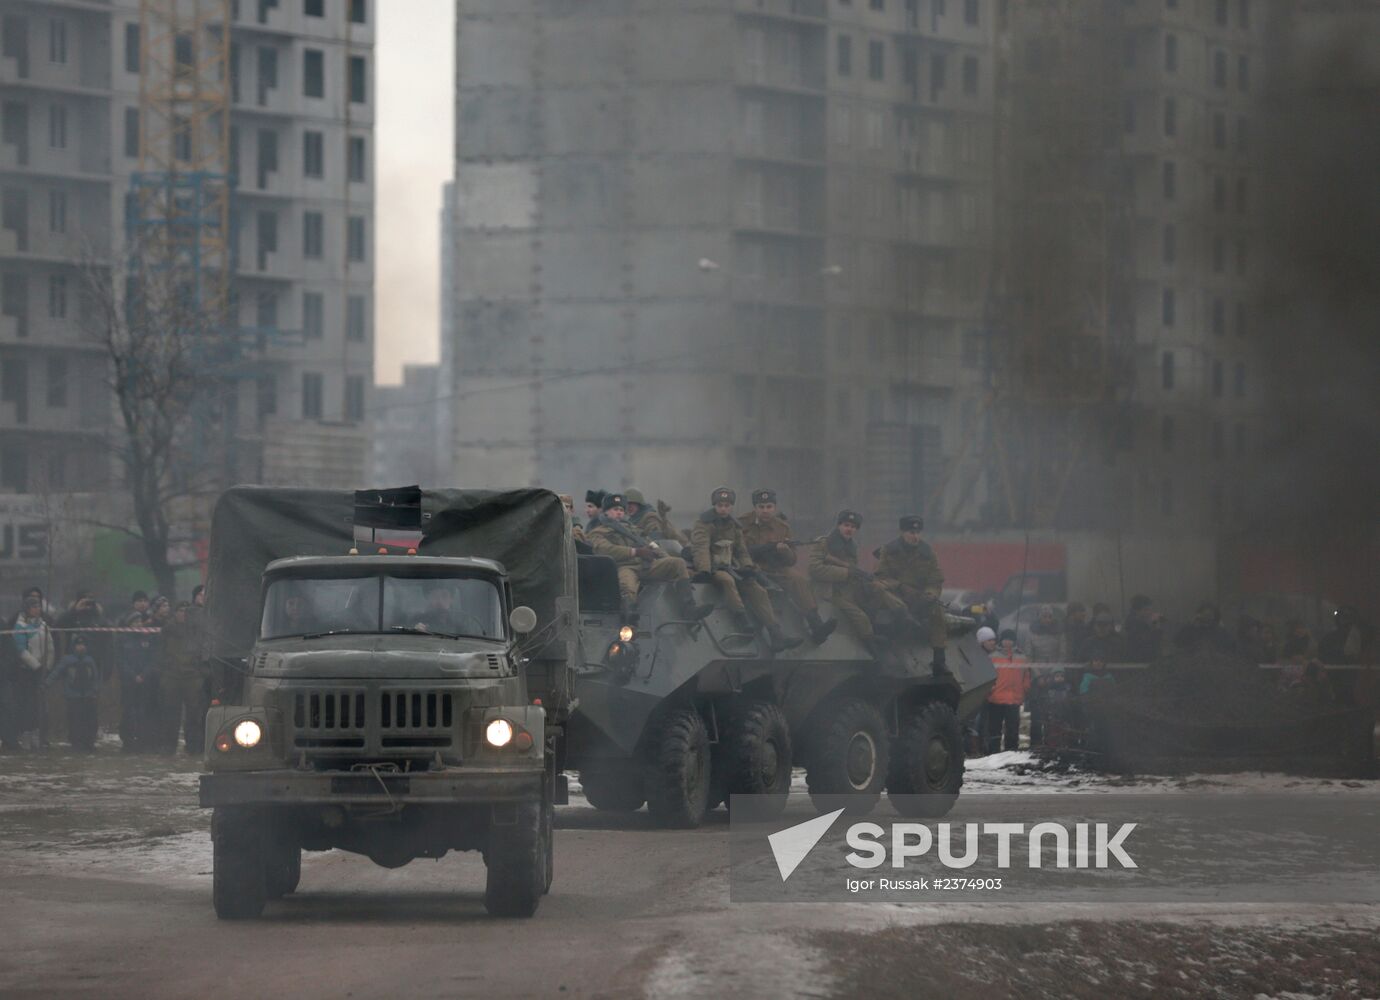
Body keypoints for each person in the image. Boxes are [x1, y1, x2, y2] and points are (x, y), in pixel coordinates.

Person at [689, 488, 799, 653]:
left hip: (731, 565)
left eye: (727, 505)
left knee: (757, 589)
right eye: (720, 505)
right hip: (712, 567)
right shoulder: (704, 523)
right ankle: (743, 620)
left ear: (731, 507)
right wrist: (705, 570)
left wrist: (747, 567)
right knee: (727, 581)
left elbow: (741, 550)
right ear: (715, 506)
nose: (723, 509)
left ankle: (776, 634)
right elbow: (701, 548)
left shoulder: (734, 525)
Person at [586, 493, 712, 621]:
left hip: (645, 565)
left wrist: (665, 559)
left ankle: (689, 609)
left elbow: (652, 545)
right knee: (627, 586)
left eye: (621, 510)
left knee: (677, 563)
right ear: (606, 512)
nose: (619, 513)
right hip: (624, 567)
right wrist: (635, 552)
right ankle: (629, 618)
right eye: (615, 509)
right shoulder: (598, 532)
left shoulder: (633, 530)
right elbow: (604, 549)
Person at [808, 509, 911, 658]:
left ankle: (902, 613)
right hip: (829, 592)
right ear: (839, 525)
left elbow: (853, 571)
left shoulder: (852, 547)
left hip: (849, 589)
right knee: (860, 616)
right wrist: (847, 573)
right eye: (846, 525)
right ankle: (871, 644)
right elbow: (814, 569)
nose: (849, 529)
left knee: (878, 589)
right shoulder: (823, 543)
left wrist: (861, 577)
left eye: (853, 527)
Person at [738, 488, 836, 645]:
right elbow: (740, 550)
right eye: (761, 507)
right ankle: (777, 633)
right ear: (755, 508)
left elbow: (791, 560)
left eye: (769, 507)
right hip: (751, 567)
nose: (765, 511)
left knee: (799, 580)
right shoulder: (742, 524)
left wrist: (784, 551)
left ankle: (816, 624)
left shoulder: (782, 527)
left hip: (775, 567)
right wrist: (766, 548)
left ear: (774, 507)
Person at [873, 515, 951, 675]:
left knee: (938, 612)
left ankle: (939, 659)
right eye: (911, 532)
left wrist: (930, 595)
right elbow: (881, 576)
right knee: (881, 601)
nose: (915, 536)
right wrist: (900, 586)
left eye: (917, 532)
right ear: (902, 532)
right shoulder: (889, 551)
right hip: (895, 597)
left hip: (919, 599)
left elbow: (936, 580)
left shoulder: (927, 553)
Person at [159, 602, 210, 754]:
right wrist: (164, 670)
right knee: (170, 713)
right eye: (180, 611)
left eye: (186, 611)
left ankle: (193, 746)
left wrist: (201, 671)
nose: (183, 614)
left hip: (192, 677)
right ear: (175, 613)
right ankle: (168, 746)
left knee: (194, 714)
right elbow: (160, 652)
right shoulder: (168, 630)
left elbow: (204, 652)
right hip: (172, 676)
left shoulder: (197, 631)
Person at [8, 590, 54, 752]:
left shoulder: (43, 625)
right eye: (34, 607)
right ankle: (26, 733)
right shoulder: (20, 626)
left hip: (41, 672)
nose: (37, 609)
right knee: (26, 704)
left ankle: (37, 733)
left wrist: (47, 666)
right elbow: (21, 650)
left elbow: (50, 647)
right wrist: (36, 666)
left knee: (38, 705)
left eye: (38, 606)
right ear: (27, 608)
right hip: (26, 672)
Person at [116, 591, 156, 752]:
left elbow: (151, 659)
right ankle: (127, 740)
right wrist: (133, 676)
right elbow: (120, 660)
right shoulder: (123, 639)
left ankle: (142, 740)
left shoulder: (147, 638)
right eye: (135, 622)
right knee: (128, 711)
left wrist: (143, 675)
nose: (139, 624)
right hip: (128, 681)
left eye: (140, 621)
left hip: (144, 680)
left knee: (142, 711)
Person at [47, 635, 100, 752]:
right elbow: (56, 672)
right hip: (73, 696)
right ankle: (76, 742)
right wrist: (46, 683)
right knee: (75, 720)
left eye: (83, 645)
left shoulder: (89, 660)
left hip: (88, 695)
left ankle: (89, 742)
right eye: (78, 645)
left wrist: (95, 690)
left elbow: (95, 677)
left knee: (90, 720)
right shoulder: (67, 660)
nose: (81, 647)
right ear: (74, 646)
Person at [985, 629, 1030, 754]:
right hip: (996, 698)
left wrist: (1025, 689)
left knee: (1013, 728)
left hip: (1014, 698)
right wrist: (990, 691)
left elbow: (1026, 675)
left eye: (1010, 639)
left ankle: (1011, 753)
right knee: (994, 728)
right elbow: (987, 676)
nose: (1007, 642)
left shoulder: (1022, 657)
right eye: (1005, 639)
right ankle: (992, 753)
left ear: (1014, 641)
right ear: (1001, 640)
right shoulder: (992, 656)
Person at [1025, 605, 1063, 746]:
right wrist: (1038, 676)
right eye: (1044, 616)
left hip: (1056, 677)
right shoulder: (1031, 633)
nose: (1047, 619)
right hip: (1037, 678)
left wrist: (1055, 674)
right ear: (1039, 617)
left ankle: (1052, 742)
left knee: (1054, 713)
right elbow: (1029, 657)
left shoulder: (1059, 632)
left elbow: (1063, 655)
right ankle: (1035, 744)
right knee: (1036, 714)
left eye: (1049, 616)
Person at [1122, 594, 1165, 662]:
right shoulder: (1136, 626)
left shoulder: (1132, 623)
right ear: (1137, 611)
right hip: (1141, 663)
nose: (1150, 612)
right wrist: (1156, 626)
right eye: (1146, 609)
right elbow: (1151, 645)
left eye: (1150, 609)